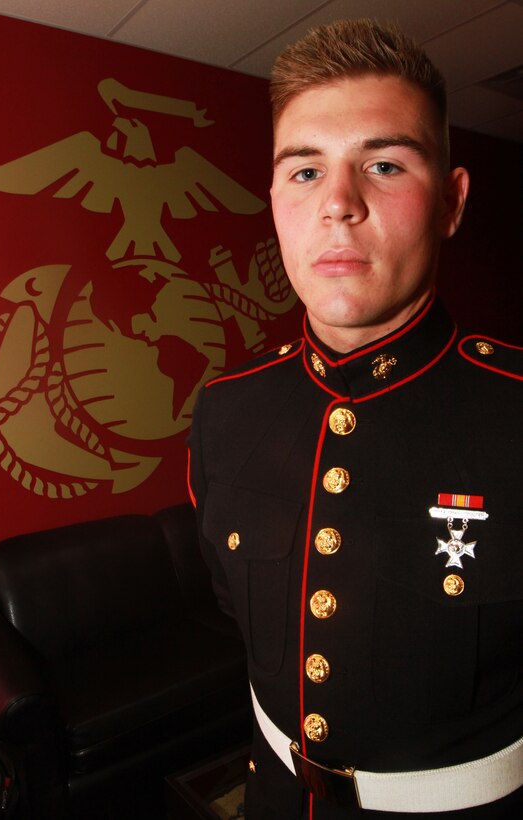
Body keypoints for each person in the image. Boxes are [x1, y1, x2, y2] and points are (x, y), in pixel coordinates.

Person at [187, 18, 522, 819]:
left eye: (382, 163)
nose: (337, 204)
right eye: (304, 171)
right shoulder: (226, 408)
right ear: (273, 200)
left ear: (450, 202)